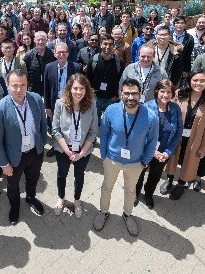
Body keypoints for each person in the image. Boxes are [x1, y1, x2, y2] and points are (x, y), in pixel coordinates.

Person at [93, 79, 158, 236]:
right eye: (127, 93)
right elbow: (104, 133)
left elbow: (152, 141)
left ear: (140, 94)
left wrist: (145, 161)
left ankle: (127, 214)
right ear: (121, 94)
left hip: (135, 163)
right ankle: (103, 212)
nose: (130, 97)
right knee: (107, 187)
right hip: (112, 159)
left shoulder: (150, 116)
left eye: (134, 93)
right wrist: (103, 155)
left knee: (130, 190)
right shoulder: (111, 110)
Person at [0, 69, 48, 225]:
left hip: (35, 152)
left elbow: (43, 123)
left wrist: (42, 143)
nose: (19, 89)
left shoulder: (36, 99)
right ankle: (15, 206)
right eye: (14, 85)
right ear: (8, 86)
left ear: (27, 84)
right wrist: (4, 164)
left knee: (33, 179)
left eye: (23, 85)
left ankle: (30, 197)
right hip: (13, 157)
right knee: (13, 185)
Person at [162, 69, 205, 200]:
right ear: (189, 80)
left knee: (189, 163)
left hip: (194, 139)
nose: (198, 83)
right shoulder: (179, 94)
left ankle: (181, 184)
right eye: (195, 80)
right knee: (172, 158)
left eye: (202, 80)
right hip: (176, 136)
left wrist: (203, 147)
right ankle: (169, 179)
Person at [52, 74, 98, 218]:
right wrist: (67, 150)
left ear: (86, 90)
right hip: (63, 149)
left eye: (82, 88)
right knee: (62, 174)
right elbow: (55, 130)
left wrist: (82, 153)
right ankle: (61, 198)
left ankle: (77, 201)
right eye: (75, 88)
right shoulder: (60, 103)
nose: (79, 92)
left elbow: (93, 131)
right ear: (69, 89)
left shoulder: (92, 104)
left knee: (79, 175)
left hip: (83, 149)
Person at [135, 79, 182, 208]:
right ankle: (136, 193)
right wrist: (153, 151)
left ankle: (149, 194)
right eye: (162, 91)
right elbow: (140, 133)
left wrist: (168, 152)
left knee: (155, 175)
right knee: (139, 173)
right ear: (157, 91)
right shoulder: (146, 107)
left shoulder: (175, 108)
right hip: (146, 151)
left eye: (169, 92)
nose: (165, 95)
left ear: (172, 94)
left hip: (163, 153)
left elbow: (178, 132)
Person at [44, 43, 81, 156]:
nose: (61, 54)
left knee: (71, 124)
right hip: (55, 103)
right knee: (55, 126)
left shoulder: (75, 67)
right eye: (59, 52)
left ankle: (70, 146)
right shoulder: (49, 67)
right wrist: (47, 107)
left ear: (68, 54)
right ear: (55, 54)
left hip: (71, 102)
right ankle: (56, 146)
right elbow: (46, 88)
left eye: (64, 52)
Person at [86, 35, 125, 121]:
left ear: (113, 46)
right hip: (96, 98)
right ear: (101, 45)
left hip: (112, 98)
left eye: (110, 44)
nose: (107, 47)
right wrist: (91, 95)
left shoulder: (119, 62)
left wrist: (116, 96)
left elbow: (121, 81)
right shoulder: (93, 61)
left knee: (110, 122)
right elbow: (88, 80)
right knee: (94, 122)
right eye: (105, 44)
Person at [24, 31, 56, 97]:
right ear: (35, 40)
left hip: (49, 88)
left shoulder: (52, 54)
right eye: (38, 40)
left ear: (46, 40)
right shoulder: (29, 55)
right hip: (33, 89)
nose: (40, 42)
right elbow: (26, 73)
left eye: (43, 39)